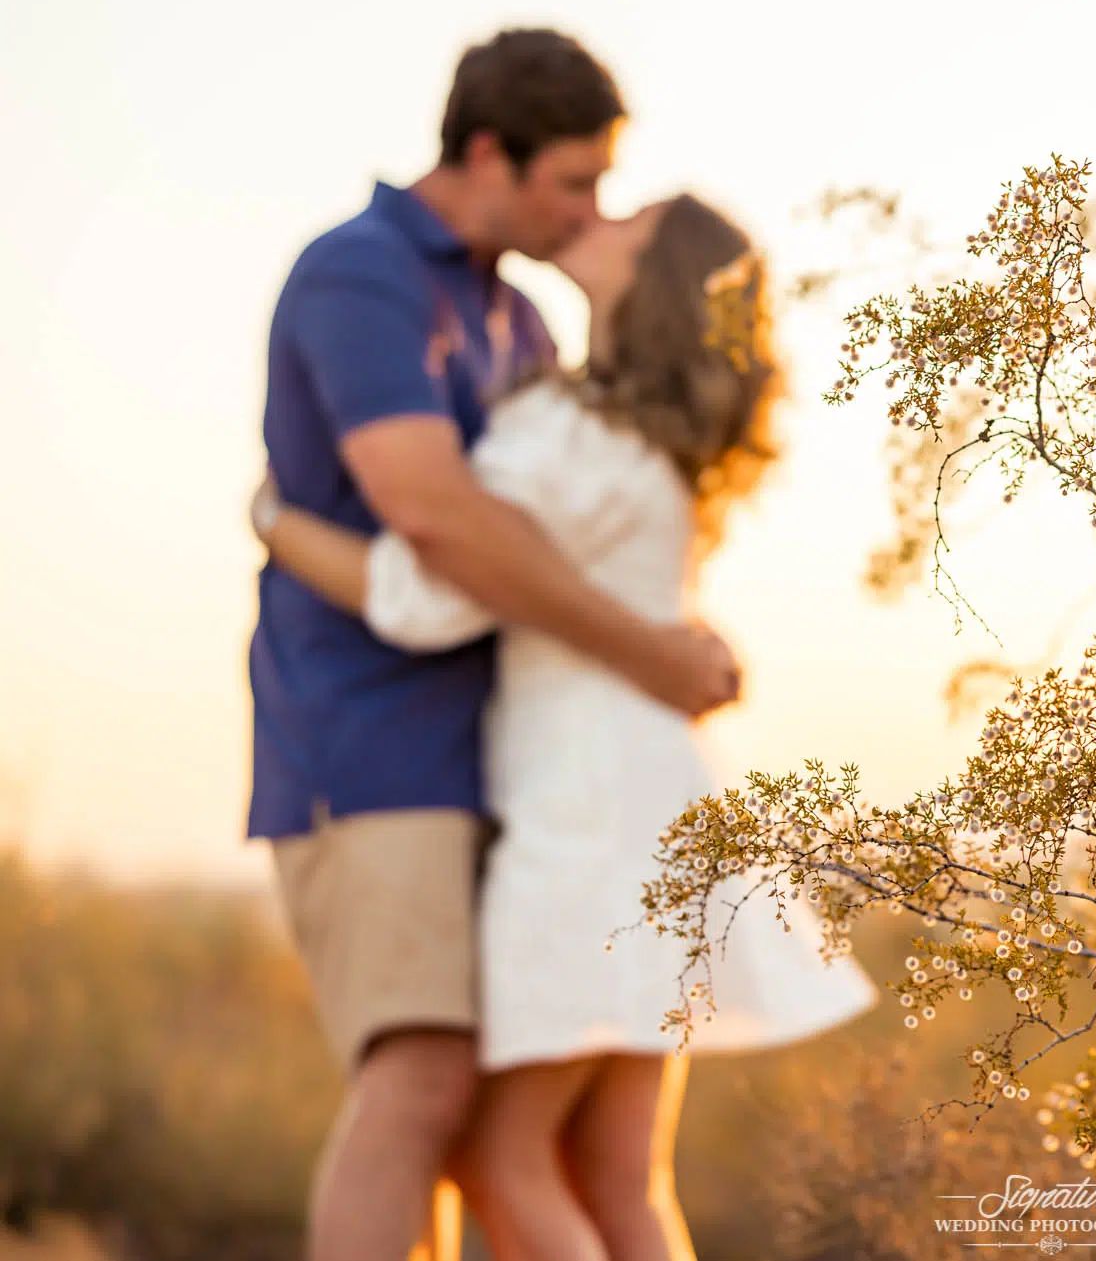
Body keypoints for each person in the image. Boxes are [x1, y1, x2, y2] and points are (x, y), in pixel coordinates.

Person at [253, 194, 879, 1260]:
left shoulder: (567, 432)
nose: (599, 217)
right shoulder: (656, 446)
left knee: (502, 1157)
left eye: (629, 221)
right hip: (663, 805)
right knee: (620, 1175)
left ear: (655, 282)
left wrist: (279, 525)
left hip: (581, 816)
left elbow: (425, 594)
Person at [248, 29, 743, 1261]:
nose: (590, 212)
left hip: (514, 767)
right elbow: (438, 521)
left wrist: (651, 637)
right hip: (372, 743)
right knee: (422, 1082)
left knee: (535, 1142)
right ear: (487, 153)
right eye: (573, 181)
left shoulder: (515, 317)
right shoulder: (361, 275)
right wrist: (648, 650)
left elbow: (552, 536)